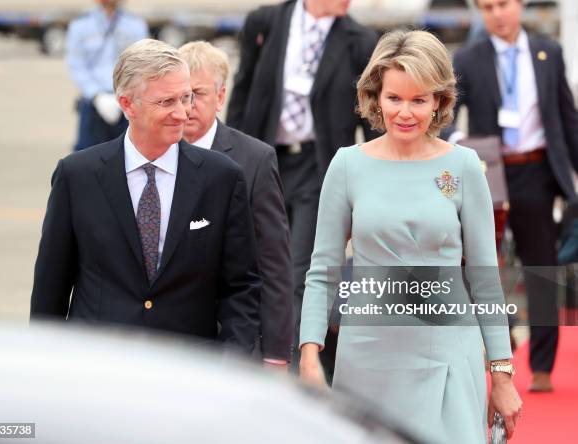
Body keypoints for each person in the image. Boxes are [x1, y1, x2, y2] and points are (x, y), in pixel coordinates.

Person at [298, 30, 522, 443]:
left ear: (439, 100)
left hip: (450, 350)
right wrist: (309, 352)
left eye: (419, 100)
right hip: (367, 357)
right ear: (375, 97)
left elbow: (485, 276)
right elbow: (322, 272)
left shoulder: (465, 166)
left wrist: (502, 373)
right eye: (394, 98)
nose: (405, 112)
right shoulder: (347, 166)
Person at [31, 39, 261, 354]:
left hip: (188, 374)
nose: (182, 114)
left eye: (186, 98)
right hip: (96, 370)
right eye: (166, 102)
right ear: (127, 104)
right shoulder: (76, 176)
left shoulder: (222, 178)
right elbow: (50, 291)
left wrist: (233, 366)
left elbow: (242, 288)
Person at [226, 0, 379, 369]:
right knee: (255, 262)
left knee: (298, 268)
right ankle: (247, 358)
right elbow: (242, 92)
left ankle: (292, 366)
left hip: (318, 166)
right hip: (266, 160)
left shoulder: (358, 39)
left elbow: (370, 115)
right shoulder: (265, 23)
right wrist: (230, 156)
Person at [449, 0, 578, 392]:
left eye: (503, 4)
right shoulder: (469, 58)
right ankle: (493, 341)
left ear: (520, 5)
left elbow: (567, 115)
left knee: (542, 268)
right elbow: (450, 116)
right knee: (483, 268)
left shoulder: (548, 53)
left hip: (537, 172)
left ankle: (541, 365)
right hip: (489, 174)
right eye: (487, 7)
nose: (497, 14)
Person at [178, 41, 294, 368]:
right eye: (180, 94)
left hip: (233, 338)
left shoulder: (254, 160)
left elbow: (274, 262)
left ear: (221, 96)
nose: (186, 106)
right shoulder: (155, 153)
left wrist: (275, 352)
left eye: (197, 94)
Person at [66, 0, 148, 150]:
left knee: (130, 156)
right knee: (87, 158)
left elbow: (141, 64)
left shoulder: (135, 25)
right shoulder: (80, 26)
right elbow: (77, 66)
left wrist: (127, 92)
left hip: (127, 100)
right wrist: (97, 95)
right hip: (93, 103)